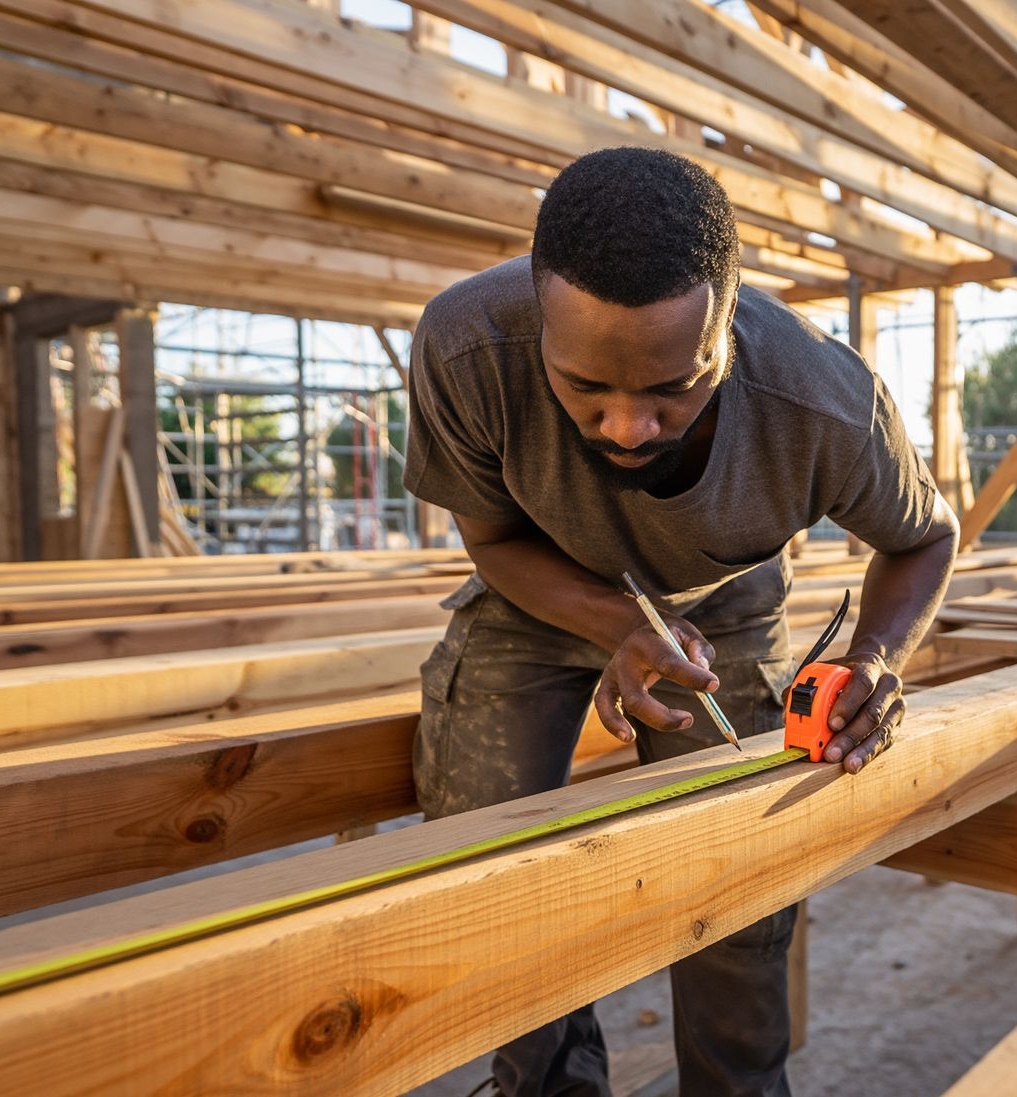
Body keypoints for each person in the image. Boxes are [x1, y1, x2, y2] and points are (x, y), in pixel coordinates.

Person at [403, 146, 957, 1097]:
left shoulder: (821, 401)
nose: (627, 427)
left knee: (739, 871)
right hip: (537, 593)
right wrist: (612, 620)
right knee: (488, 859)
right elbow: (492, 541)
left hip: (724, 604)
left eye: (673, 387)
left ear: (730, 327)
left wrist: (875, 658)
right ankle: (545, 1082)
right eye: (586, 389)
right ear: (538, 319)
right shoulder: (465, 348)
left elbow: (925, 538)